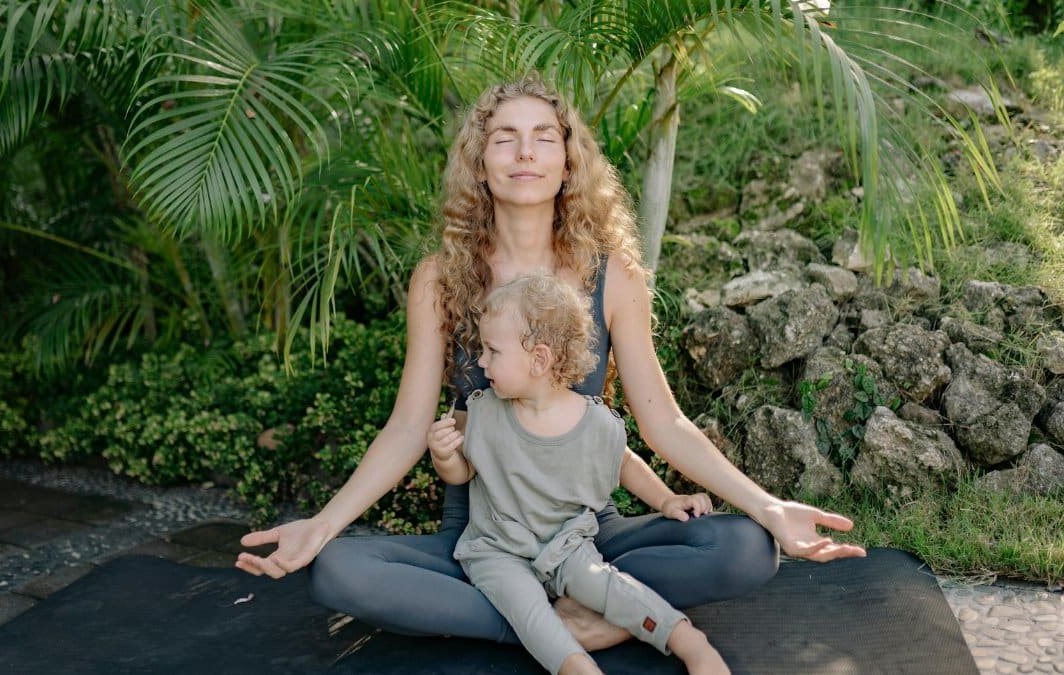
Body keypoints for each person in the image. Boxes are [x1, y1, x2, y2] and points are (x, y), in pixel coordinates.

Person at [237, 74, 866, 651]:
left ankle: (547, 612)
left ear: (568, 162)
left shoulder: (612, 277)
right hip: (484, 537)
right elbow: (406, 430)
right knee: (340, 572)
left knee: (747, 549)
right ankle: (582, 622)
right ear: (479, 164)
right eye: (505, 139)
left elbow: (664, 424)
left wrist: (769, 507)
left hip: (592, 531)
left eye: (544, 137)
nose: (526, 153)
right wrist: (321, 526)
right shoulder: (438, 279)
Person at [427, 272, 727, 675]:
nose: (481, 362)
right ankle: (577, 667)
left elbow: (623, 463)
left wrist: (666, 500)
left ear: (539, 359)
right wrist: (444, 457)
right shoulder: (482, 412)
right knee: (526, 608)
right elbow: (462, 473)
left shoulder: (594, 423)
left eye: (492, 351)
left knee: (607, 586)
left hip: (567, 545)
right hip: (497, 549)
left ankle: (687, 641)